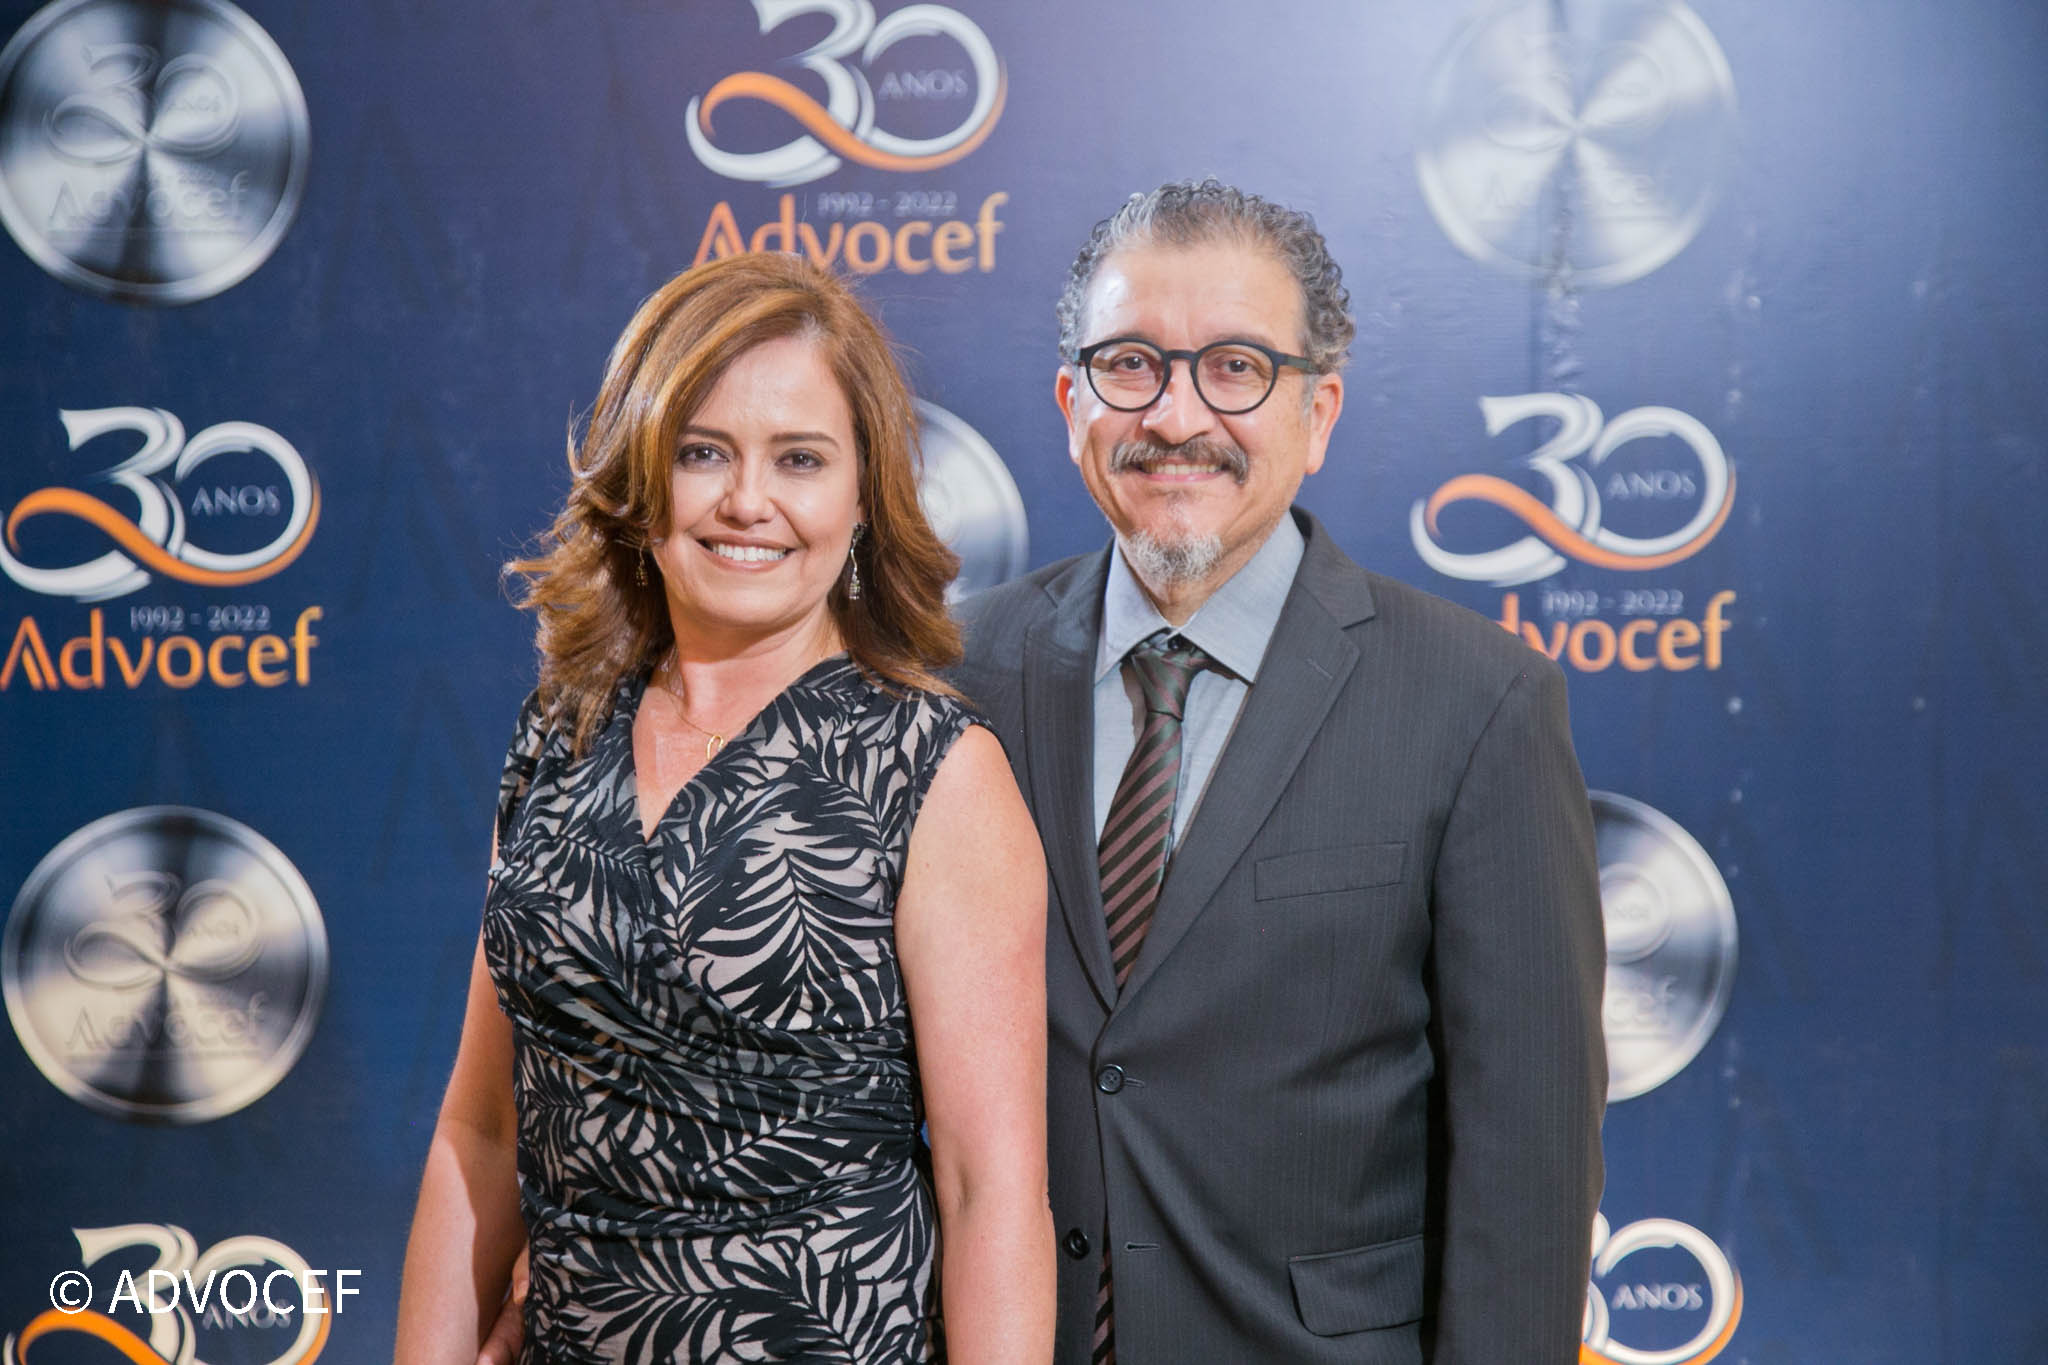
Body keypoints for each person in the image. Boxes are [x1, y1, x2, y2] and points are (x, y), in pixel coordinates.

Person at [949, 179, 1607, 1361]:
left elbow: (1527, 1160)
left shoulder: (1478, 701)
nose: (1176, 416)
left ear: (1318, 412)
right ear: (1069, 402)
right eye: (1129, 364)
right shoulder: (951, 674)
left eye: (1236, 368)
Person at [396, 252, 1054, 1363]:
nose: (748, 500)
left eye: (800, 459)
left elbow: (987, 1190)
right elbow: (484, 1126)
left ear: (862, 496)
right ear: (640, 476)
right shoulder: (560, 731)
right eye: (703, 452)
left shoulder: (935, 770)